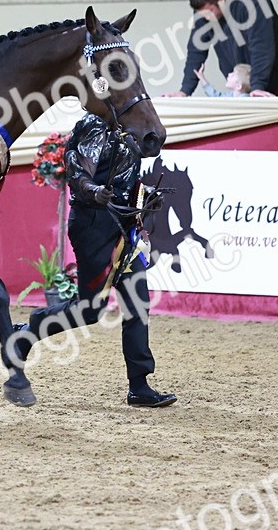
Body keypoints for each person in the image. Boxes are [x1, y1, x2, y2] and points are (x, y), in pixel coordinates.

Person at [13, 111, 177, 408]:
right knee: (91, 310)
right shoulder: (95, 126)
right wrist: (93, 190)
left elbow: (127, 179)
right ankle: (30, 331)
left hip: (124, 229)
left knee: (137, 304)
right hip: (93, 226)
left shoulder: (130, 130)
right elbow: (78, 173)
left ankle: (139, 386)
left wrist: (147, 195)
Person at [163, 0, 278, 98]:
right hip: (245, 89)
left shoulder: (252, 0)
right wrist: (185, 91)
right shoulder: (204, 14)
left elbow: (262, 46)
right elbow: (195, 51)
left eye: (210, 12)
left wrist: (257, 86)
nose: (207, 18)